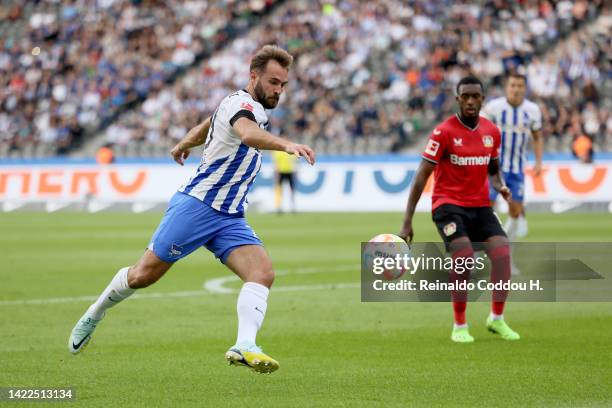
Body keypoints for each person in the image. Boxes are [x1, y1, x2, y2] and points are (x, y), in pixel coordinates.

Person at [68, 45, 316, 373]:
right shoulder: (243, 106)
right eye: (273, 82)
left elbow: (209, 123)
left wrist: (184, 143)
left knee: (262, 274)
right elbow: (247, 133)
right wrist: (286, 144)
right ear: (253, 76)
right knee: (143, 276)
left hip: (229, 216)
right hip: (197, 207)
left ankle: (244, 345)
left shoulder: (241, 106)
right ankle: (95, 312)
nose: (278, 90)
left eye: (283, 84)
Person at [399, 76, 520, 343]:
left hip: (479, 205)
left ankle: (496, 319)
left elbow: (493, 171)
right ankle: (460, 325)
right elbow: (422, 175)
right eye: (465, 96)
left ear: (482, 99)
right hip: (448, 206)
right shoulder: (444, 132)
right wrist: (407, 221)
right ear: (457, 99)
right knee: (463, 255)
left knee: (502, 252)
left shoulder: (491, 132)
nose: (470, 101)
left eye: (475, 96)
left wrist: (500, 187)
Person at [482, 73, 544, 239]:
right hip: (493, 168)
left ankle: (504, 243)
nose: (516, 89)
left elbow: (537, 137)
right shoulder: (493, 108)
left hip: (517, 168)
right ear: (506, 87)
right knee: (487, 207)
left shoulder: (533, 110)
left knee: (515, 211)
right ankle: (481, 246)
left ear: (525, 88)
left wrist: (538, 162)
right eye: (512, 85)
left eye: (520, 86)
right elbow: (478, 130)